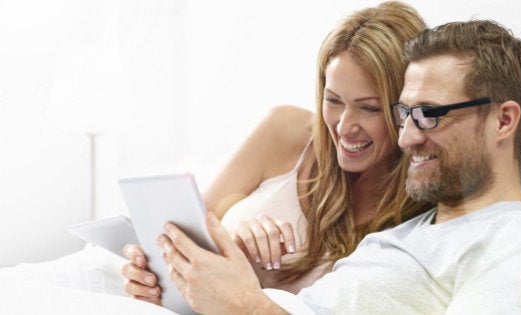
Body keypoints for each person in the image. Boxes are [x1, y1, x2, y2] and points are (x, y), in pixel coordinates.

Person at [157, 19, 521, 314]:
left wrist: (244, 307)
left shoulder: (516, 245)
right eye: (403, 114)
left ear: (503, 121)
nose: (407, 138)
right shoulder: (412, 231)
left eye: (430, 113)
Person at [121, 0, 430, 305]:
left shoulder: (421, 209)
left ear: (407, 108)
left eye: (369, 108)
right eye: (333, 100)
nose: (344, 126)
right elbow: (180, 238)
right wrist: (147, 273)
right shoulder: (285, 130)